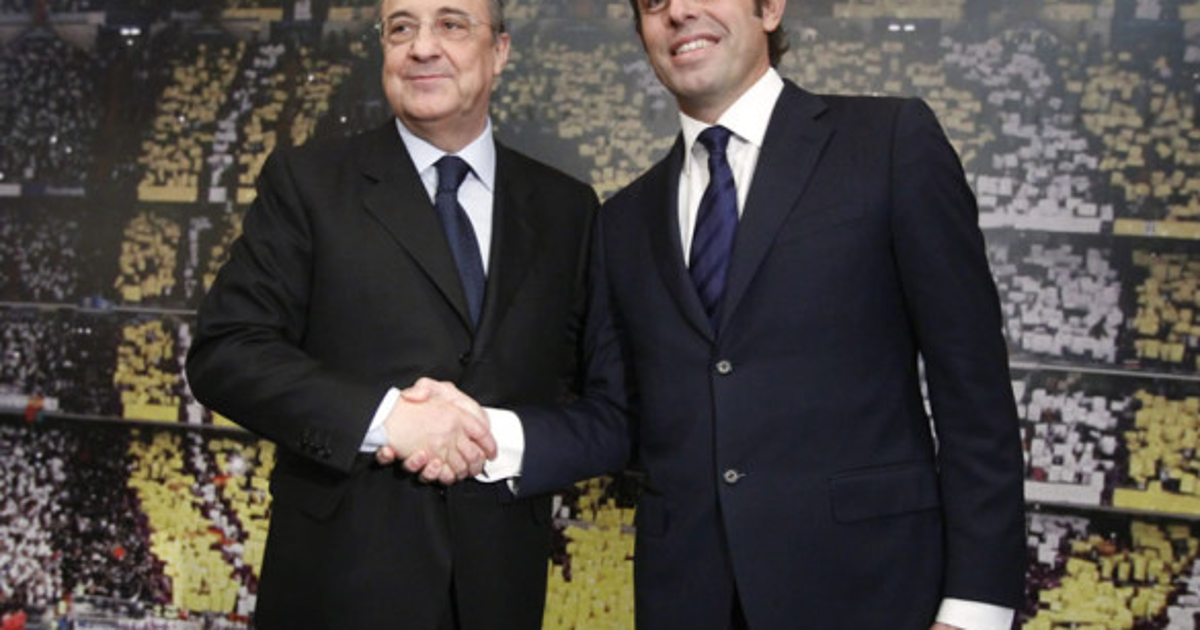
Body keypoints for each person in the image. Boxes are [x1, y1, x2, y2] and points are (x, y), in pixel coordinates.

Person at [399, 0, 1027, 627]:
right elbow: (619, 416)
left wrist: (976, 610)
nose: (678, 12)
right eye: (653, 3)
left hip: (871, 593)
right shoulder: (623, 220)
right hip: (687, 600)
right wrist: (483, 432)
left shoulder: (888, 142)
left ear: (770, 8)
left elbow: (974, 394)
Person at [184, 0, 599, 627]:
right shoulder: (307, 181)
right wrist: (387, 420)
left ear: (500, 51)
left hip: (499, 595)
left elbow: (595, 401)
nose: (422, 47)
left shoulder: (569, 209)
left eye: (451, 24)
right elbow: (227, 351)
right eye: (401, 27)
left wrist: (494, 439)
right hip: (337, 591)